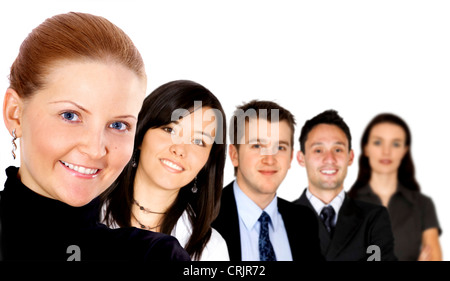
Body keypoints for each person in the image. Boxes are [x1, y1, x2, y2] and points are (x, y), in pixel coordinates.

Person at [0, 12, 190, 261]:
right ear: (15, 114)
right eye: (70, 115)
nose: (95, 149)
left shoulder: (154, 258)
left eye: (118, 125)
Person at [102, 80, 229, 261]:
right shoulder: (84, 210)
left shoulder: (212, 250)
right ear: (140, 135)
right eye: (170, 129)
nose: (180, 149)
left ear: (207, 163)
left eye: (199, 141)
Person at [212, 100, 323, 261]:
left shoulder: (305, 221)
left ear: (291, 157)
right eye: (257, 146)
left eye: (280, 147)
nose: (270, 160)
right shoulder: (204, 218)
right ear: (234, 155)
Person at [293, 109, 397, 261]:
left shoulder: (373, 218)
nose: (329, 159)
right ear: (301, 158)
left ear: (350, 157)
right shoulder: (280, 218)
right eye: (318, 150)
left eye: (338, 149)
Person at [348, 113, 442, 261]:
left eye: (396, 144)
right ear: (366, 148)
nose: (386, 151)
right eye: (378, 143)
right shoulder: (345, 204)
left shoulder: (422, 205)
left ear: (405, 151)